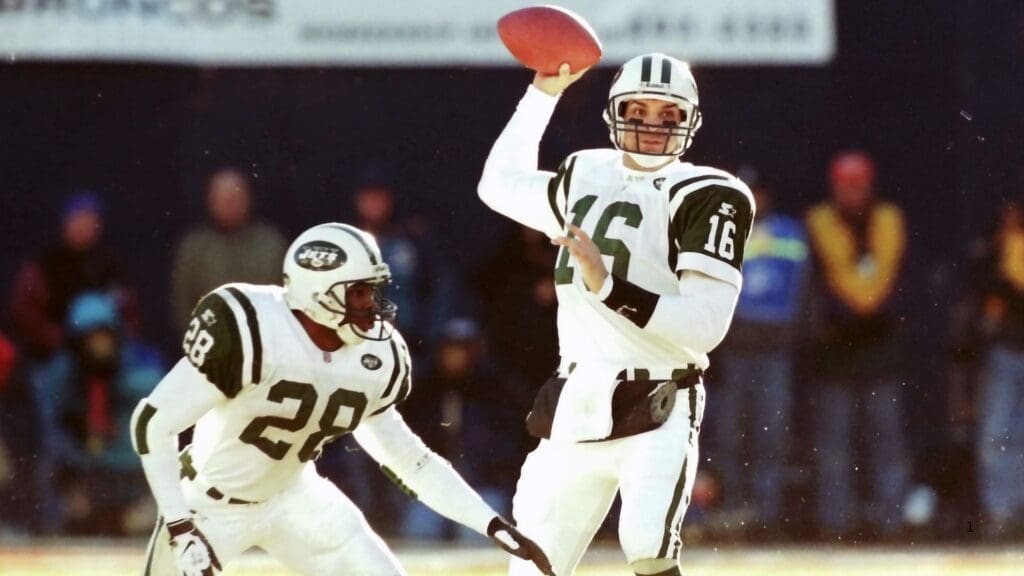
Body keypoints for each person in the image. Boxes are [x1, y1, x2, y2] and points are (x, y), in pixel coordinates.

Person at [131, 223, 553, 575]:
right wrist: (180, 525)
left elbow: (410, 459)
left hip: (295, 496)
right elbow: (152, 423)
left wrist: (491, 524)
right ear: (318, 291)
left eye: (372, 290)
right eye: (358, 292)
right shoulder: (250, 327)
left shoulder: (373, 356)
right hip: (208, 505)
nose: (372, 304)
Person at [478, 54, 755, 576]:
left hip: (658, 399)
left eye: (668, 114)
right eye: (639, 108)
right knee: (531, 564)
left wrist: (607, 286)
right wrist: (543, 93)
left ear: (689, 121)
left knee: (648, 548)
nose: (652, 124)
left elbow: (705, 326)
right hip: (578, 395)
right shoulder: (586, 170)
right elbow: (497, 185)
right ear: (613, 111)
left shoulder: (710, 194)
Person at [805, 151, 910, 540]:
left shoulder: (887, 218)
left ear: (871, 184)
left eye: (860, 184)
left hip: (879, 347)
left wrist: (862, 308)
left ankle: (892, 522)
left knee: (888, 442)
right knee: (834, 444)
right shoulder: (819, 220)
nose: (853, 192)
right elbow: (832, 275)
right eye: (846, 185)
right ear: (834, 186)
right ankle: (836, 523)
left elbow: (878, 286)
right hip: (836, 350)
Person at [709, 167, 809, 538]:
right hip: (734, 350)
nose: (753, 199)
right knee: (732, 434)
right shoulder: (718, 232)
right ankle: (733, 512)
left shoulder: (789, 232)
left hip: (776, 351)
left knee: (772, 434)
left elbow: (804, 289)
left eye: (758, 192)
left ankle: (767, 516)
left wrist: (793, 334)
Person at [33, 292, 162, 534]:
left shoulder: (140, 369)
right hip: (89, 480)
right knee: (69, 504)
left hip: (136, 482)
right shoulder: (60, 376)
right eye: (89, 339)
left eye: (104, 337)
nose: (98, 346)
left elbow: (157, 394)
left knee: (148, 518)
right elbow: (49, 433)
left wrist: (111, 382)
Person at [171, 168, 286, 333]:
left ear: (248, 198)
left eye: (234, 197)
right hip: (210, 343)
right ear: (210, 201)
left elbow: (285, 299)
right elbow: (182, 303)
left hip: (266, 342)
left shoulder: (271, 244)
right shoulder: (195, 248)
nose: (229, 204)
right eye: (223, 198)